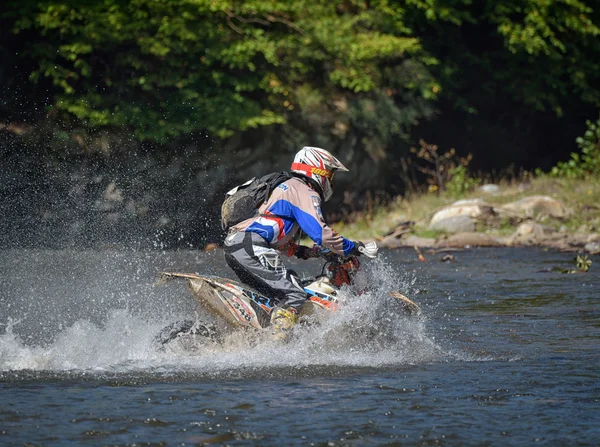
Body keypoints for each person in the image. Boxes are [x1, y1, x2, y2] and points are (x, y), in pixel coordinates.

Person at [223, 146, 378, 339]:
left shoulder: (286, 188)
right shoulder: (303, 189)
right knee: (295, 294)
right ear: (318, 170)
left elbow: (281, 243)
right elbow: (321, 234)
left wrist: (314, 252)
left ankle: (260, 336)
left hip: (237, 247)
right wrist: (353, 247)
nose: (330, 180)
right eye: (330, 174)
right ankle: (277, 345)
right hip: (249, 246)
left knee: (277, 296)